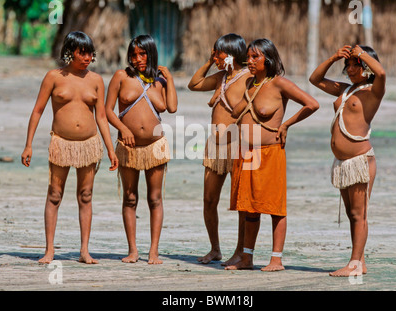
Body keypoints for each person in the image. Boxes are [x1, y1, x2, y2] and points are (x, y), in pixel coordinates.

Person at [21, 31, 119, 264]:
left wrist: (110, 149)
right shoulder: (54, 77)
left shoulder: (96, 80)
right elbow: (37, 110)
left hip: (88, 144)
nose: (86, 57)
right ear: (70, 52)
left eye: (89, 53)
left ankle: (84, 251)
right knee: (54, 195)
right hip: (61, 144)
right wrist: (28, 145)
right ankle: (49, 250)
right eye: (81, 52)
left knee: (85, 196)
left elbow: (102, 117)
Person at [225, 38, 319, 272]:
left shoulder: (279, 84)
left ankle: (276, 259)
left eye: (255, 57)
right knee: (250, 207)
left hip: (270, 153)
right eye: (248, 56)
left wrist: (286, 124)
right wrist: (226, 81)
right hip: (246, 153)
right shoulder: (249, 84)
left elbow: (312, 104)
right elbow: (234, 111)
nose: (250, 60)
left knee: (275, 207)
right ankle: (247, 258)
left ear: (267, 59)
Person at [309, 45, 385, 277]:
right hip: (342, 164)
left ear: (366, 67)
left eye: (356, 65)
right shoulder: (345, 90)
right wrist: (334, 57)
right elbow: (315, 79)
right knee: (353, 213)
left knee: (359, 214)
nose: (351, 69)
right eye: (348, 65)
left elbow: (381, 73)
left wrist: (361, 54)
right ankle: (358, 261)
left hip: (360, 160)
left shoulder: (374, 91)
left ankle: (354, 264)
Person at [105, 35, 177, 264]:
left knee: (155, 198)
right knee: (130, 197)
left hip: (155, 147)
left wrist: (170, 79)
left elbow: (172, 108)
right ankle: (133, 250)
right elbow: (107, 111)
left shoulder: (160, 81)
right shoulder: (121, 76)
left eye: (143, 54)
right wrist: (123, 129)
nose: (138, 59)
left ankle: (153, 251)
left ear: (151, 53)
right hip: (128, 146)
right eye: (134, 54)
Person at [187, 33, 252, 265]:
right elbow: (193, 84)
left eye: (219, 53)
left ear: (232, 54)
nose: (216, 57)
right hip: (214, 147)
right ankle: (215, 248)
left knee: (240, 203)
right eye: (214, 52)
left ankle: (240, 252)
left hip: (237, 145)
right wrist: (209, 61)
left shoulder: (248, 77)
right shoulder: (221, 78)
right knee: (209, 199)